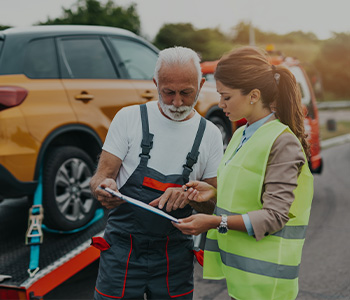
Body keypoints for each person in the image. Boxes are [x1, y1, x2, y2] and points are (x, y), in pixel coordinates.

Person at [172, 46, 314, 300]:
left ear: (254, 95)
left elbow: (273, 216)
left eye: (226, 96)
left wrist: (215, 222)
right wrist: (213, 193)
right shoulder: (241, 134)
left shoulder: (283, 142)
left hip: (268, 284)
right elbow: (249, 191)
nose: (220, 104)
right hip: (244, 279)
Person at [89, 46, 223, 300]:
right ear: (155, 83)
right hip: (122, 251)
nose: (177, 102)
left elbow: (214, 206)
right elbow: (99, 179)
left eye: (186, 93)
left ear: (201, 84)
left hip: (174, 256)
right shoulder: (129, 119)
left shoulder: (210, 134)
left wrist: (193, 196)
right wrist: (103, 188)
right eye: (168, 92)